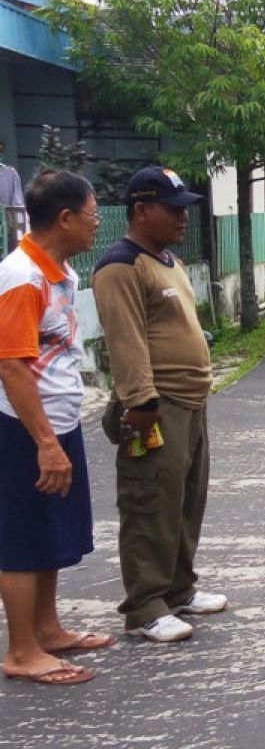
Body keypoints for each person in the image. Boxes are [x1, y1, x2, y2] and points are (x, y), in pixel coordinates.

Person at [91, 167, 225, 642]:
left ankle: (179, 589)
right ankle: (146, 606)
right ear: (141, 210)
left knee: (186, 500)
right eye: (172, 209)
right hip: (154, 405)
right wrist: (140, 403)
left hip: (190, 402)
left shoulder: (168, 260)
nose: (182, 218)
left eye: (184, 209)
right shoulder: (121, 266)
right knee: (149, 503)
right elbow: (125, 343)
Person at [0, 170, 108, 685]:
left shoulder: (58, 273)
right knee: (22, 535)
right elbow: (11, 365)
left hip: (55, 420)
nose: (96, 223)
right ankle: (22, 651)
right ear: (65, 219)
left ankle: (47, 630)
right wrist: (44, 442)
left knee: (49, 530)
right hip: (23, 428)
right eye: (92, 214)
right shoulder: (23, 277)